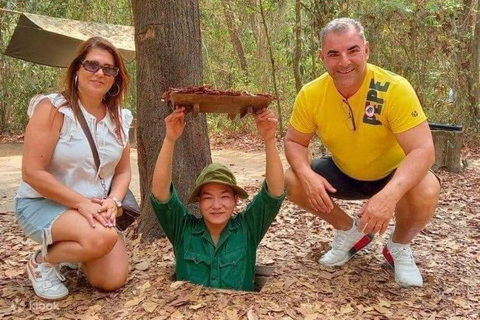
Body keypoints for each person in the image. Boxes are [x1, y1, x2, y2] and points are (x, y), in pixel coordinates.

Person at [284, 18, 440, 287]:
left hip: (392, 174)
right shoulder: (311, 94)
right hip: (344, 171)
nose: (344, 61)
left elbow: (423, 150)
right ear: (322, 57)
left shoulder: (394, 88)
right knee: (291, 179)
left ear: (366, 50)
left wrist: (389, 196)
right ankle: (350, 232)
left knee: (427, 187)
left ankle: (398, 246)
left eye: (352, 50)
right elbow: (295, 142)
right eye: (334, 54)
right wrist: (306, 175)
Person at [14, 37, 133, 300]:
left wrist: (113, 200)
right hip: (43, 203)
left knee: (111, 280)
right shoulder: (53, 109)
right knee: (102, 239)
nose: (100, 73)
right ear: (77, 69)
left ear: (116, 78)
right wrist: (80, 203)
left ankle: (76, 249)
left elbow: (123, 172)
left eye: (108, 69)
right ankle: (42, 261)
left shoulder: (120, 119)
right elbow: (32, 172)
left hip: (93, 208)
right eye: (92, 65)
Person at [151, 107, 285, 291]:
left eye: (224, 197)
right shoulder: (183, 229)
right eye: (208, 198)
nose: (216, 205)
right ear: (199, 201)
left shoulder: (248, 228)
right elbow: (160, 194)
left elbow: (275, 193)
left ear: (235, 200)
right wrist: (169, 139)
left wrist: (270, 140)